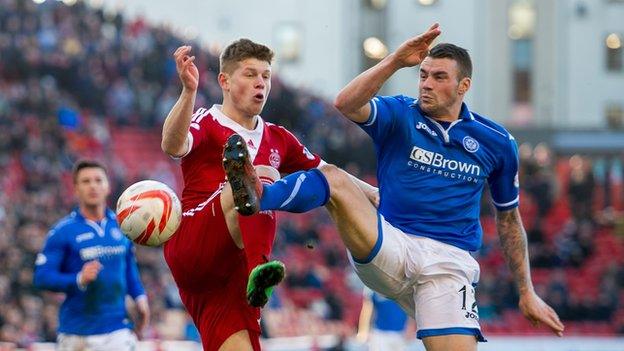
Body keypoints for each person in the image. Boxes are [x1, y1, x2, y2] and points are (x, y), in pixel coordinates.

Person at [224, 23, 565, 351]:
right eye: (423, 75)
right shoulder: (400, 113)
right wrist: (396, 61)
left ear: (463, 86)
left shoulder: (497, 142)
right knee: (333, 177)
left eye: (439, 77)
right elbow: (346, 104)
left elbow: (508, 219)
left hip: (449, 265)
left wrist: (526, 291)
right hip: (391, 245)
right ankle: (259, 196)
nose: (426, 84)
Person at [160, 40, 376, 351]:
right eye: (250, 74)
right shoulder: (206, 121)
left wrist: (378, 195)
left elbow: (332, 175)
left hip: (230, 274)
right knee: (261, 176)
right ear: (225, 81)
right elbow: (171, 145)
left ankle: (255, 274)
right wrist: (188, 92)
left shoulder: (278, 137)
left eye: (266, 76)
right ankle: (259, 268)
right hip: (196, 241)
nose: (260, 83)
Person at [33, 160, 149, 351]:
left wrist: (140, 298)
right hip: (77, 333)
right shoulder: (62, 231)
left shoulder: (123, 225)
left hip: (117, 329)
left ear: (108, 186)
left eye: (98, 180)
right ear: (76, 189)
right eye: (86, 181)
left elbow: (128, 270)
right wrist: (78, 279)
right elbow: (42, 277)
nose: (93, 186)